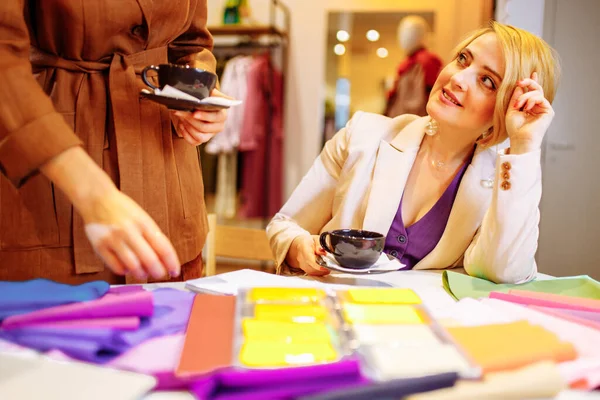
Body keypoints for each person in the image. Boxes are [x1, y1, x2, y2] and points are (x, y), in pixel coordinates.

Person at [267, 21, 560, 284]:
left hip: (425, 334)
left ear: (506, 110)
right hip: (336, 316)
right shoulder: (362, 136)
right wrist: (298, 249)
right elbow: (285, 227)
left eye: (487, 81)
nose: (458, 78)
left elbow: (504, 270)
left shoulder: (502, 184)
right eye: (462, 60)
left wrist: (524, 147)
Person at [0, 1, 228, 284]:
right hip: (54, 188)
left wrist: (197, 98)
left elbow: (190, 44)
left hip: (171, 197)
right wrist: (93, 193)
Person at [384, 15, 442, 118]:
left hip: (414, 122)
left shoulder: (426, 63)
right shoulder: (407, 64)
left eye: (411, 34)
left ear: (422, 36)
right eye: (403, 34)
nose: (403, 38)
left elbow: (420, 101)